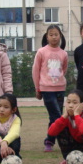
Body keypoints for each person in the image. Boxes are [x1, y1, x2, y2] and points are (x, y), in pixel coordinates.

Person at [32, 24, 68, 152]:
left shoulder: (63, 53)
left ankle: (49, 141)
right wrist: (37, 88)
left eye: (56, 34)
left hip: (60, 88)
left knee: (54, 117)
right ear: (46, 37)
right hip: (46, 89)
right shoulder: (42, 52)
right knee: (57, 116)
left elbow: (64, 69)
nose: (54, 37)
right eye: (51, 35)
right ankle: (65, 140)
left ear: (60, 36)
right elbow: (35, 71)